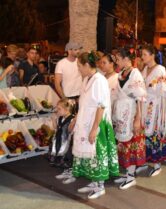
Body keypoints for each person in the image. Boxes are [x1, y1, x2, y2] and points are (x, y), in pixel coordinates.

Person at [67, 52, 119, 199]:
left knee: (97, 152)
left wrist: (95, 128)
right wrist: (75, 119)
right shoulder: (86, 80)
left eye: (79, 66)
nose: (78, 69)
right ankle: (94, 182)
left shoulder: (99, 80)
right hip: (85, 119)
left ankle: (100, 185)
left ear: (86, 65)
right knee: (88, 152)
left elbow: (101, 105)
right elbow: (82, 103)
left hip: (97, 121)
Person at [112, 47, 147, 190]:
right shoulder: (121, 74)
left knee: (131, 143)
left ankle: (131, 176)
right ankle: (128, 172)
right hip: (121, 112)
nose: (117, 62)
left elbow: (140, 97)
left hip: (131, 111)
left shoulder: (135, 73)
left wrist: (137, 118)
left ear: (126, 59)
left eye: (118, 59)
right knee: (123, 143)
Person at [137, 45, 166, 177]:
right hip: (145, 105)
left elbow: (164, 91)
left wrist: (161, 111)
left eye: (145, 54)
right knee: (144, 134)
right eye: (142, 54)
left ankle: (157, 164)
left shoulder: (160, 69)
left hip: (156, 107)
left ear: (152, 55)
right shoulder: (145, 69)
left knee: (154, 134)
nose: (142, 57)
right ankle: (144, 161)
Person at [50, 99, 75, 170]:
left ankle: (66, 165)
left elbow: (71, 130)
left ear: (66, 109)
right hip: (59, 138)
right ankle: (58, 162)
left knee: (66, 152)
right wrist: (54, 120)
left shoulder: (72, 119)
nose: (57, 111)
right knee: (57, 148)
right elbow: (56, 128)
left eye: (59, 109)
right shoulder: (60, 118)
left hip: (67, 139)